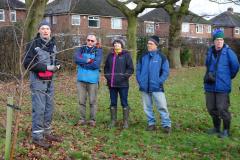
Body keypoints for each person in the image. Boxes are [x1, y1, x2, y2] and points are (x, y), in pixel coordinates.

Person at [23, 20, 62, 149]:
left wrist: (58, 66)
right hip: (38, 82)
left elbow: (55, 60)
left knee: (49, 108)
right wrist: (47, 67)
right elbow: (27, 63)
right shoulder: (33, 44)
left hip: (50, 82)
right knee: (39, 109)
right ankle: (37, 137)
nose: (45, 30)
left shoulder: (53, 44)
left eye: (47, 28)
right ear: (39, 30)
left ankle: (47, 132)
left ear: (50, 31)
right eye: (43, 28)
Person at [204, 29, 239, 138]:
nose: (219, 42)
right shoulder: (210, 51)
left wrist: (228, 77)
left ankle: (226, 131)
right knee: (211, 108)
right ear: (213, 41)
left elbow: (235, 67)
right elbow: (207, 65)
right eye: (217, 40)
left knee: (222, 109)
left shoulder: (229, 52)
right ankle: (216, 128)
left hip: (222, 86)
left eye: (221, 40)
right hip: (210, 85)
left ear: (223, 41)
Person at [136, 35, 171, 133]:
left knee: (162, 106)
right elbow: (138, 70)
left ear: (156, 45)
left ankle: (166, 125)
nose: (148, 45)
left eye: (151, 44)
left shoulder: (162, 57)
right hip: (144, 87)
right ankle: (151, 124)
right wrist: (140, 80)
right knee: (147, 107)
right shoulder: (142, 56)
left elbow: (165, 72)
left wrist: (159, 81)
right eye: (148, 43)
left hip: (157, 87)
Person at [104, 39, 134, 128]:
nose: (116, 45)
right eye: (115, 43)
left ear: (122, 45)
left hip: (123, 84)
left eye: (118, 43)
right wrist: (108, 77)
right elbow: (106, 68)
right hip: (112, 84)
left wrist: (123, 77)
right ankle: (113, 121)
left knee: (124, 102)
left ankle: (125, 122)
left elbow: (130, 69)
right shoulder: (110, 55)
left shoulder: (126, 55)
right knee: (113, 102)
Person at [74, 34, 102, 127]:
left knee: (92, 101)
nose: (90, 42)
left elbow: (96, 65)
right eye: (88, 40)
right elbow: (76, 59)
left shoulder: (98, 50)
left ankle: (92, 120)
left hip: (93, 81)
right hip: (81, 80)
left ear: (95, 42)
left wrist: (83, 63)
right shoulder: (81, 49)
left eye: (92, 41)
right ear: (86, 40)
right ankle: (82, 119)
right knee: (81, 101)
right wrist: (88, 60)